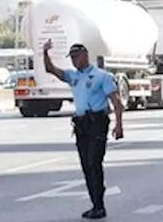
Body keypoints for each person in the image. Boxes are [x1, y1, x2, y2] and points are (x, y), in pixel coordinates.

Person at [41, 40, 124, 220]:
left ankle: (99, 205)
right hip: (81, 125)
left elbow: (117, 102)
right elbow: (52, 70)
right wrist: (45, 53)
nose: (74, 61)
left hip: (97, 123)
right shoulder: (74, 77)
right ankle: (95, 204)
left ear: (86, 56)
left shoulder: (101, 76)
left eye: (76, 57)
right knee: (86, 165)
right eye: (71, 58)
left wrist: (119, 125)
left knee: (94, 163)